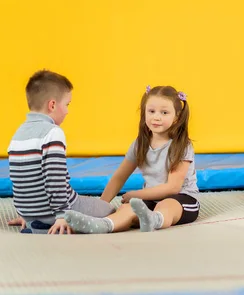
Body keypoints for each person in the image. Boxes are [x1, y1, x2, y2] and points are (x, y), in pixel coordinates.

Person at [64, 85, 199, 233]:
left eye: (164, 112)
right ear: (144, 113)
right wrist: (101, 205)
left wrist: (136, 194)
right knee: (126, 209)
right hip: (150, 201)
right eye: (151, 111)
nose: (156, 117)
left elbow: (172, 188)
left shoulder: (181, 145)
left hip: (181, 199)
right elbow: (119, 177)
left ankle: (155, 219)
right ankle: (102, 225)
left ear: (176, 118)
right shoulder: (140, 144)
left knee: (166, 206)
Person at [7, 69, 115, 234]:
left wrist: (26, 214)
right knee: (112, 211)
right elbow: (54, 177)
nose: (67, 111)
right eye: (67, 104)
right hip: (58, 211)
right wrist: (62, 214)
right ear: (52, 105)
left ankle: (37, 224)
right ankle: (75, 224)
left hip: (29, 213)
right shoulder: (52, 132)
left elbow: (19, 178)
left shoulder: (17, 134)